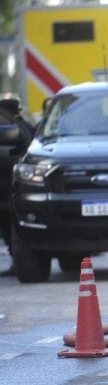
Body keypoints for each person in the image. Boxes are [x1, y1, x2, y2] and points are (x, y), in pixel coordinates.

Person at [0, 99, 36, 277]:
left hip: (12, 185)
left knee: (11, 224)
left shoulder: (20, 130)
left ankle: (20, 259)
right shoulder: (26, 127)